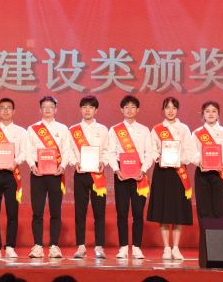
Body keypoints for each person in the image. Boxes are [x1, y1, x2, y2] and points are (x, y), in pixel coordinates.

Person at [107, 95, 154, 259]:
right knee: (122, 212)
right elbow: (110, 152)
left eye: (133, 107)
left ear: (138, 110)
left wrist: (143, 169)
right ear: (122, 110)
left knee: (138, 212)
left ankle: (136, 247)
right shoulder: (114, 130)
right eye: (126, 107)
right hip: (121, 173)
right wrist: (116, 170)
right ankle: (123, 247)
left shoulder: (144, 130)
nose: (129, 110)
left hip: (139, 174)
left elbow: (150, 153)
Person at [25, 96, 73, 258]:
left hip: (55, 173)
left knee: (55, 211)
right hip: (37, 172)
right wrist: (32, 165)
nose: (47, 109)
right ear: (40, 109)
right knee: (37, 211)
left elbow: (66, 150)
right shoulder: (32, 129)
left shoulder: (63, 129)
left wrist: (63, 166)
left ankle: (54, 246)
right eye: (44, 106)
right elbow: (28, 150)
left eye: (50, 106)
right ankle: (37, 245)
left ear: (55, 109)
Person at [147, 97, 194, 261]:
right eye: (167, 107)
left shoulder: (184, 129)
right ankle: (166, 247)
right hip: (162, 172)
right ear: (163, 110)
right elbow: (152, 150)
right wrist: (159, 158)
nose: (171, 111)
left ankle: (176, 247)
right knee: (164, 210)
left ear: (177, 110)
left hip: (178, 172)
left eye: (174, 108)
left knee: (177, 210)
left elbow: (189, 151)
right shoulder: (157, 129)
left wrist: (179, 160)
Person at [0, 98, 28, 259]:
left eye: (9, 108)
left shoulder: (21, 132)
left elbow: (24, 152)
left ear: (14, 111)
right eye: (2, 108)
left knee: (12, 212)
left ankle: (10, 246)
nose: (5, 110)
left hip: (12, 175)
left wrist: (15, 162)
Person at [68, 95, 108, 259]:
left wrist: (103, 162)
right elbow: (69, 151)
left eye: (91, 107)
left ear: (96, 110)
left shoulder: (103, 130)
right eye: (84, 107)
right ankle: (81, 246)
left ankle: (99, 246)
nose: (87, 110)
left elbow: (107, 150)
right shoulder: (73, 130)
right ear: (80, 109)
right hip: (81, 174)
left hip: (98, 175)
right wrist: (75, 162)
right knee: (80, 211)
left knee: (99, 212)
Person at [191, 101, 223, 219]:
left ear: (218, 114)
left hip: (219, 174)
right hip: (202, 174)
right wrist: (199, 162)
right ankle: (205, 232)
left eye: (214, 111)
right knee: (203, 208)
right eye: (207, 111)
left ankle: (219, 232)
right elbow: (192, 152)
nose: (211, 114)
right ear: (203, 114)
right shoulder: (196, 133)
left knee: (219, 208)